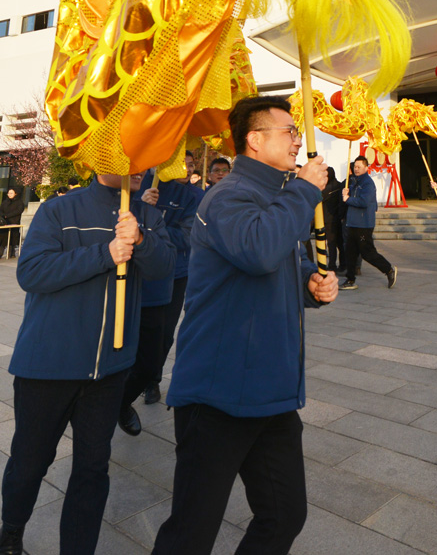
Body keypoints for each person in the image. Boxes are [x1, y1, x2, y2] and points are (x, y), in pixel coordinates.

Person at [149, 96, 338, 555]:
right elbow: (256, 251)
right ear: (255, 140)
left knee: (284, 514)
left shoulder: (276, 196)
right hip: (220, 392)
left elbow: (272, 265)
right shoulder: (228, 195)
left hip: (269, 392)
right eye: (288, 131)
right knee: (192, 531)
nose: (298, 140)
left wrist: (308, 284)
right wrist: (304, 190)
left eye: (297, 131)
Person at [0, 170, 174, 555]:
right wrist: (104, 254)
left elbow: (164, 269)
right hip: (48, 364)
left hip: (109, 371)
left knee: (92, 470)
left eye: (144, 157)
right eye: (127, 155)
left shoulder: (149, 216)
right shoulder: (59, 209)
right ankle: (11, 531)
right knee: (30, 461)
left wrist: (140, 239)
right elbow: (33, 271)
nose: (138, 166)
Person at [119, 167, 201, 424]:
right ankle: (111, 403)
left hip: (169, 278)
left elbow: (188, 236)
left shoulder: (190, 196)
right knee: (121, 343)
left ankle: (137, 390)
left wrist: (152, 223)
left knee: (155, 350)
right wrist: (139, 208)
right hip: (128, 275)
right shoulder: (134, 185)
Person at [341, 156, 395, 291]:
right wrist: (346, 192)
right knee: (350, 252)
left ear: (366, 168)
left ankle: (388, 269)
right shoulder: (354, 182)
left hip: (363, 224)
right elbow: (352, 197)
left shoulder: (368, 184)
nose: (356, 169)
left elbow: (364, 202)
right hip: (353, 222)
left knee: (367, 252)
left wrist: (348, 199)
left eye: (359, 167)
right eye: (355, 167)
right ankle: (350, 279)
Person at [320, 166, 346, 275]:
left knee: (331, 244)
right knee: (339, 243)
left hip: (329, 219)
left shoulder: (327, 188)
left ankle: (332, 266)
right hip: (337, 219)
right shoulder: (339, 185)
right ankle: (343, 264)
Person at [0, 187, 25, 259]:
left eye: (11, 193)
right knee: (1, 239)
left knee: (12, 239)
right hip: (4, 222)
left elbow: (19, 210)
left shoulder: (19, 202)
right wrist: (2, 215)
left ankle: (11, 253)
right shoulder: (5, 201)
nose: (9, 194)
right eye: (8, 193)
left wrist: (7, 215)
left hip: (14, 222)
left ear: (15, 193)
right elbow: (0, 210)